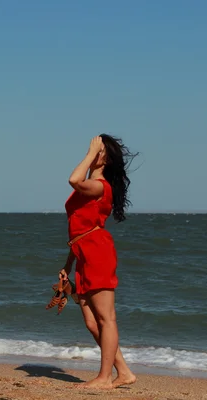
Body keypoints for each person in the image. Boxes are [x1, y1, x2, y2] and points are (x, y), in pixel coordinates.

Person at [60, 134, 137, 390]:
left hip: (97, 253)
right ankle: (123, 372)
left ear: (104, 156)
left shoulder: (100, 186)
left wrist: (91, 154)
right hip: (83, 253)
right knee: (92, 322)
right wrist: (68, 265)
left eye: (97, 150)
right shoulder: (93, 184)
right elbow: (79, 229)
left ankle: (104, 378)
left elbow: (73, 180)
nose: (92, 152)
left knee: (106, 319)